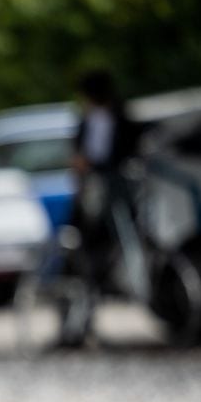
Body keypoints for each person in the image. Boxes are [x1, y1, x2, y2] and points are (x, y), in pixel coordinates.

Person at [63, 69, 141, 345]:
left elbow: (126, 154)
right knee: (77, 257)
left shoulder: (121, 118)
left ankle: (86, 314)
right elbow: (79, 157)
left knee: (101, 253)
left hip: (113, 196)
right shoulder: (85, 121)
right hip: (90, 196)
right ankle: (73, 324)